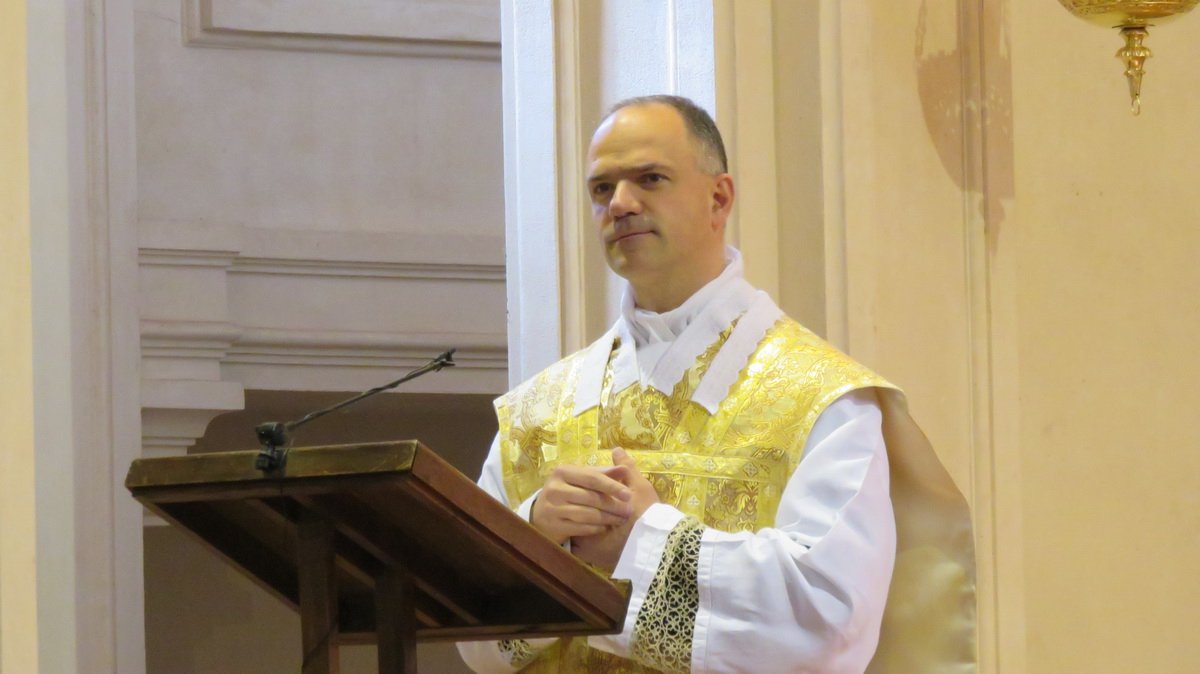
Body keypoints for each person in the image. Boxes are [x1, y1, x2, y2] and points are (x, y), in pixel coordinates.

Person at [458, 96, 975, 673]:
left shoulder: (823, 397)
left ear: (719, 198)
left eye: (650, 178)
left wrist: (644, 542)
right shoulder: (536, 413)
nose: (620, 203)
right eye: (602, 189)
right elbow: (474, 645)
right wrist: (535, 536)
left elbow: (828, 623)